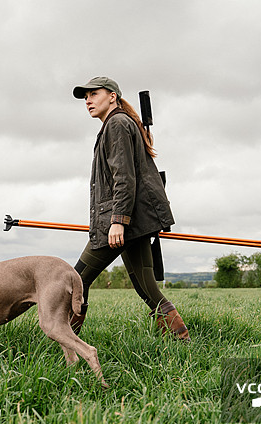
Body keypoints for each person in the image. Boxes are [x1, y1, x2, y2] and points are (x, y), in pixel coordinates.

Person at [70, 76, 190, 341]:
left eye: (94, 94)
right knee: (147, 287)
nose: (88, 100)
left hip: (122, 223)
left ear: (112, 96)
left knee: (75, 282)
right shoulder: (120, 124)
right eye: (85, 97)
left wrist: (117, 221)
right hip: (135, 221)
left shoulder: (117, 124)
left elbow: (124, 177)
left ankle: (67, 343)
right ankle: (182, 341)